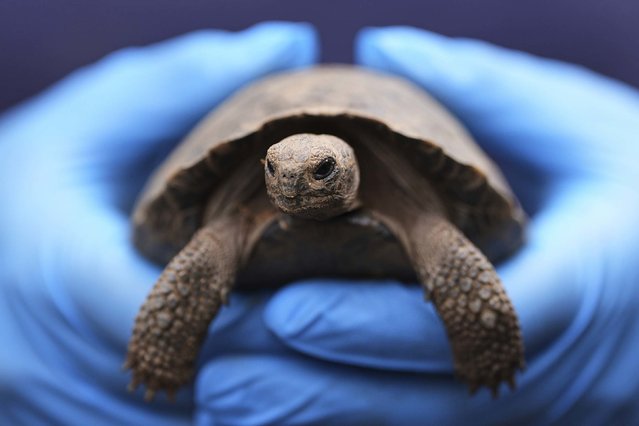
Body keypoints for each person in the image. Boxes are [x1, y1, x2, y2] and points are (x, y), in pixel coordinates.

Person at [1, 21, 638, 425]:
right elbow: (201, 257)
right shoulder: (241, 213)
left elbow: (455, 259)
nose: (291, 184)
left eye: (321, 171)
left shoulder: (417, 211)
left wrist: (496, 346)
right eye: (276, 171)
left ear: (352, 166)